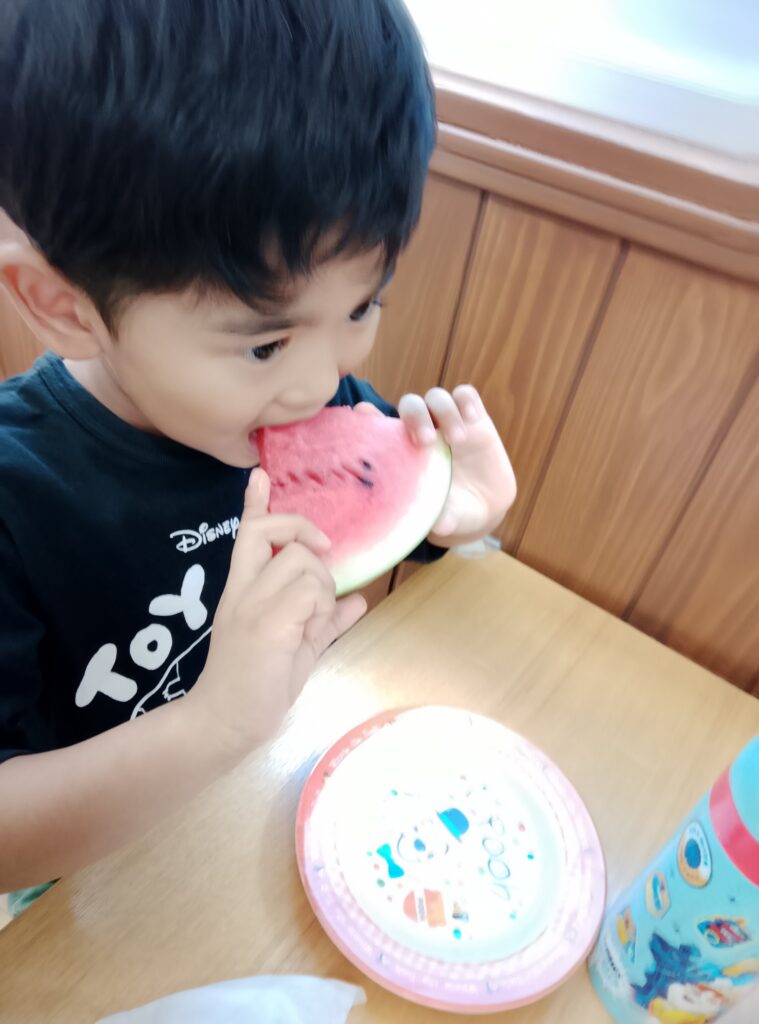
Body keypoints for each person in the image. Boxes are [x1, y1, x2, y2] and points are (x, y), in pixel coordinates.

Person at [0, 0, 516, 912]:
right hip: (78, 891)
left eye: (362, 306)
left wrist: (444, 519)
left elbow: (362, 516)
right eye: (266, 343)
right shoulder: (18, 497)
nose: (324, 384)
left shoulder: (303, 404)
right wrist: (213, 724)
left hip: (248, 815)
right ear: (64, 305)